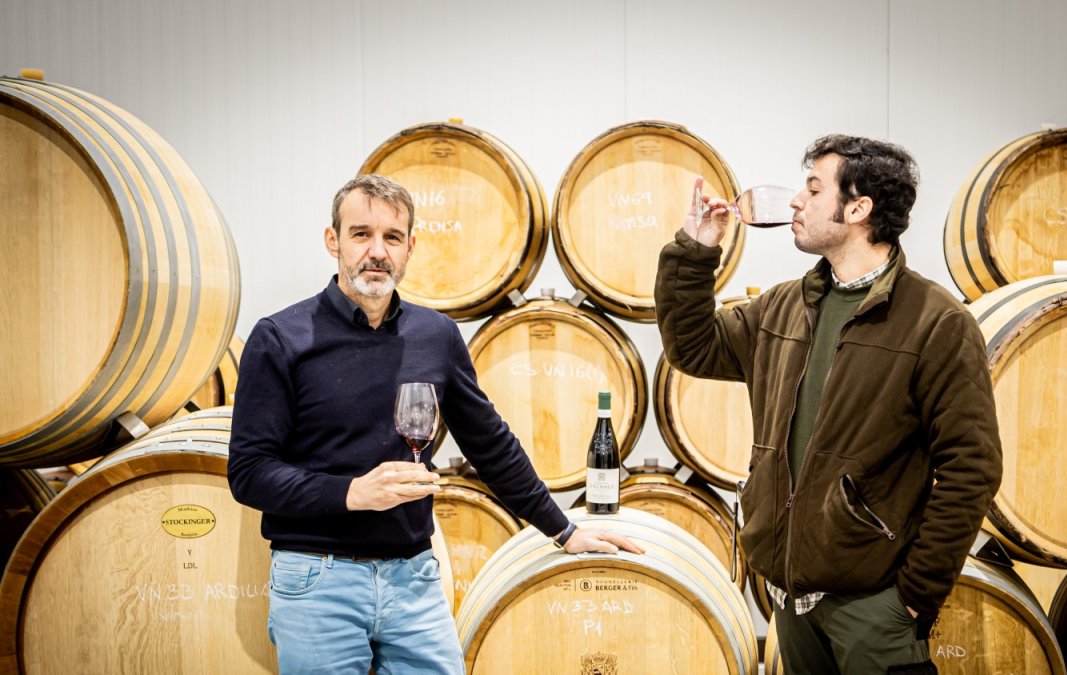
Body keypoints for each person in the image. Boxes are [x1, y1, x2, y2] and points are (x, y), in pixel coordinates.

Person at [227, 174, 642, 675]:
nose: (376, 251)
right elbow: (249, 472)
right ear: (332, 241)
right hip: (318, 579)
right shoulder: (281, 338)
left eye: (392, 237)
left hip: (413, 578)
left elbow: (489, 443)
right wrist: (351, 493)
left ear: (410, 247)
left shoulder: (435, 335)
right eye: (361, 234)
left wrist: (563, 530)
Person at [655, 135, 1002, 674]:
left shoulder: (935, 323)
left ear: (858, 208)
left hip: (873, 610)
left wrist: (911, 597)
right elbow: (692, 348)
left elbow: (971, 468)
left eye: (814, 189)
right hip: (790, 603)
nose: (796, 200)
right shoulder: (783, 307)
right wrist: (696, 251)